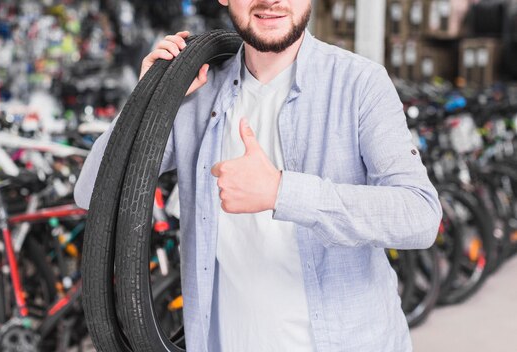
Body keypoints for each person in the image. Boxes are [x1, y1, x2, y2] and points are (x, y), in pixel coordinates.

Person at [74, 0, 442, 351]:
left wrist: (281, 192)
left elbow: (420, 215)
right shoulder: (196, 93)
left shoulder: (359, 84)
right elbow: (92, 193)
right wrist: (147, 99)